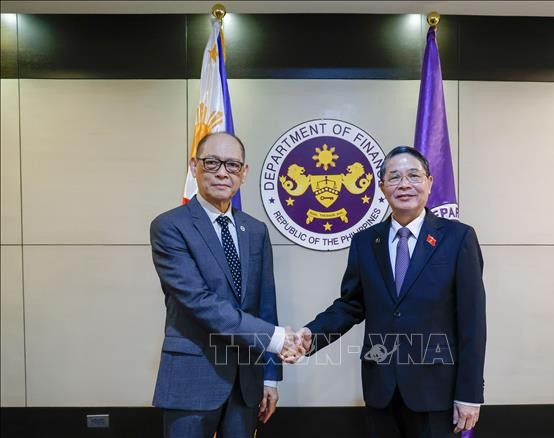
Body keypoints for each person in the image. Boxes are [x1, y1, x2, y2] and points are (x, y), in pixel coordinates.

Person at [293, 146, 486, 437]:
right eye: (394, 177)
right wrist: (312, 336)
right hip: (381, 390)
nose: (404, 184)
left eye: (413, 176)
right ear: (382, 187)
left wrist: (469, 393)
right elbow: (351, 305)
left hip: (435, 391)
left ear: (430, 182)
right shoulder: (365, 242)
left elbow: (472, 322)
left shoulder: (458, 238)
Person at [150, 132, 300, 437]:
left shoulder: (255, 230)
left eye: (232, 165)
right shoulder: (170, 226)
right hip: (192, 379)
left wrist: (270, 377)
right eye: (212, 162)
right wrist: (275, 339)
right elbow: (198, 300)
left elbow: (265, 306)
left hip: (246, 385)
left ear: (243, 173)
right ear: (195, 166)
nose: (222, 172)